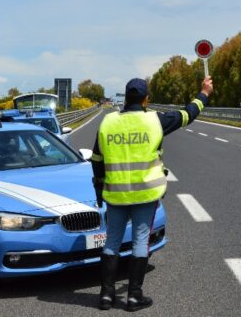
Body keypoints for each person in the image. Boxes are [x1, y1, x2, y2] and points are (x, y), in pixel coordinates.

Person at [91, 76, 213, 312]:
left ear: (125, 99)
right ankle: (134, 296)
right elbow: (188, 114)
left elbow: (97, 160)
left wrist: (99, 190)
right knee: (140, 240)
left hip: (115, 195)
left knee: (112, 242)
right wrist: (204, 94)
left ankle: (106, 296)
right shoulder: (154, 120)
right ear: (146, 99)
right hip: (145, 195)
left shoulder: (108, 123)